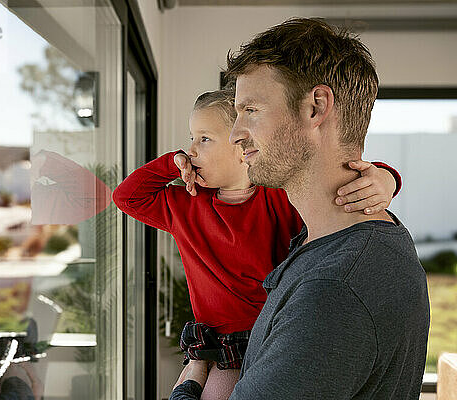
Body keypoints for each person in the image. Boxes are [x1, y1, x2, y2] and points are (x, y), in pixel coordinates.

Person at [170, 18, 430, 400]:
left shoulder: (333, 291)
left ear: (315, 107)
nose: (237, 133)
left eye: (251, 110)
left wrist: (188, 383)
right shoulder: (334, 240)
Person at [113, 91, 401, 398]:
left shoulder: (278, 198)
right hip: (209, 340)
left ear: (242, 147)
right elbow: (126, 197)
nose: (191, 150)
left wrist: (387, 178)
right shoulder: (184, 206)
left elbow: (337, 181)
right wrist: (173, 164)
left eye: (204, 139)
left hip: (264, 339)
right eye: (192, 138)